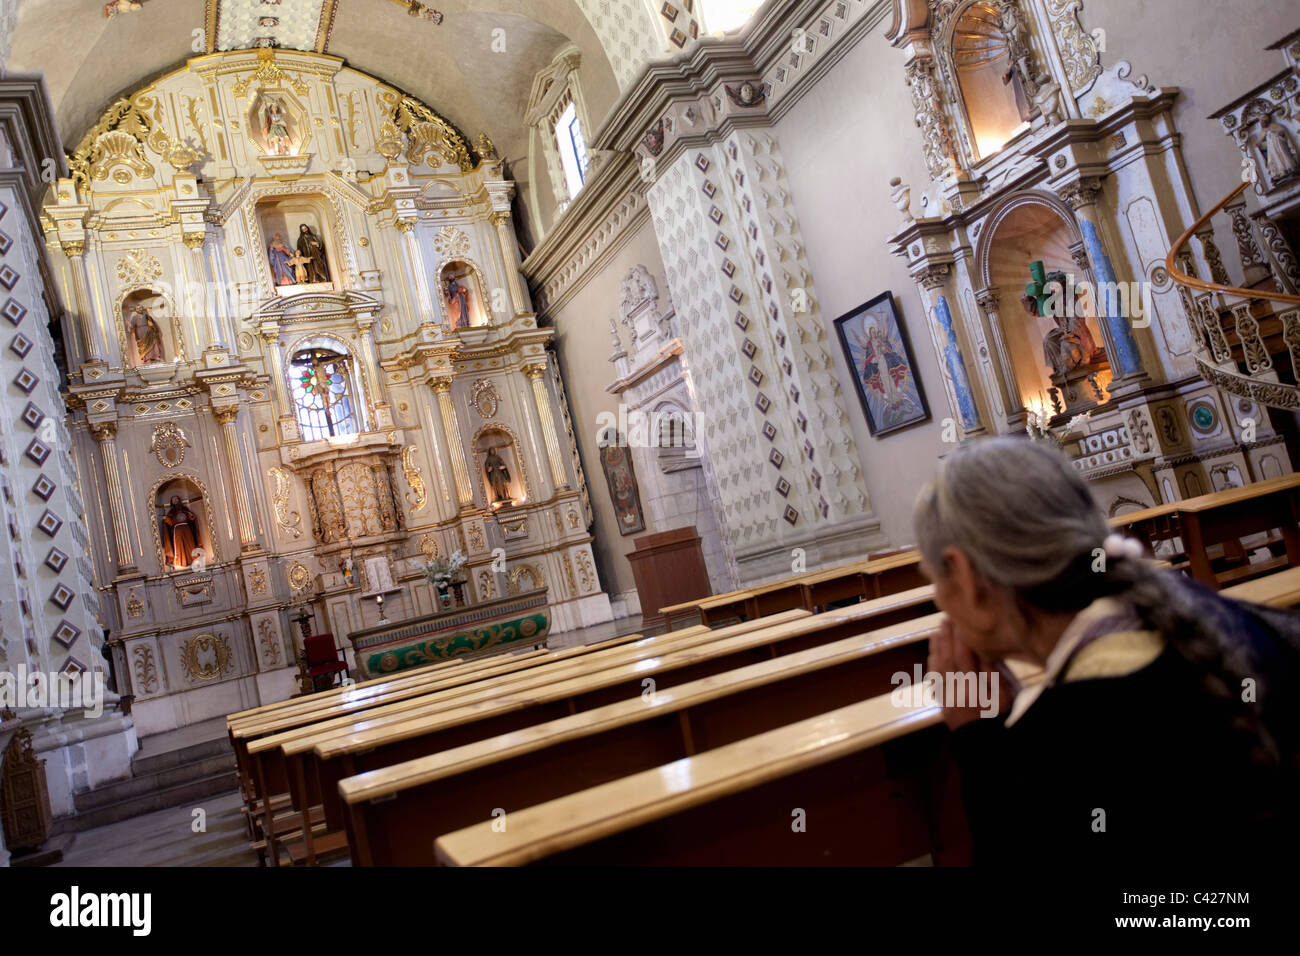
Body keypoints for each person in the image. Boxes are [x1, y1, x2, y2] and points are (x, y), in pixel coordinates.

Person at [913, 438, 1300, 865]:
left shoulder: (1058, 745)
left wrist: (979, 743)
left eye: (935, 581)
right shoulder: (1201, 611)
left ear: (965, 576)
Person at [163, 495, 199, 570]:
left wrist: (191, 516)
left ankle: (193, 560)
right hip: (177, 531)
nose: (175, 501)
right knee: (179, 546)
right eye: (173, 500)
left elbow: (191, 518)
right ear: (172, 503)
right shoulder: (171, 512)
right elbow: (170, 522)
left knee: (190, 544)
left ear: (179, 500)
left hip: (186, 529)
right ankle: (179, 562)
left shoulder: (185, 510)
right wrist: (166, 519)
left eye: (176, 499)